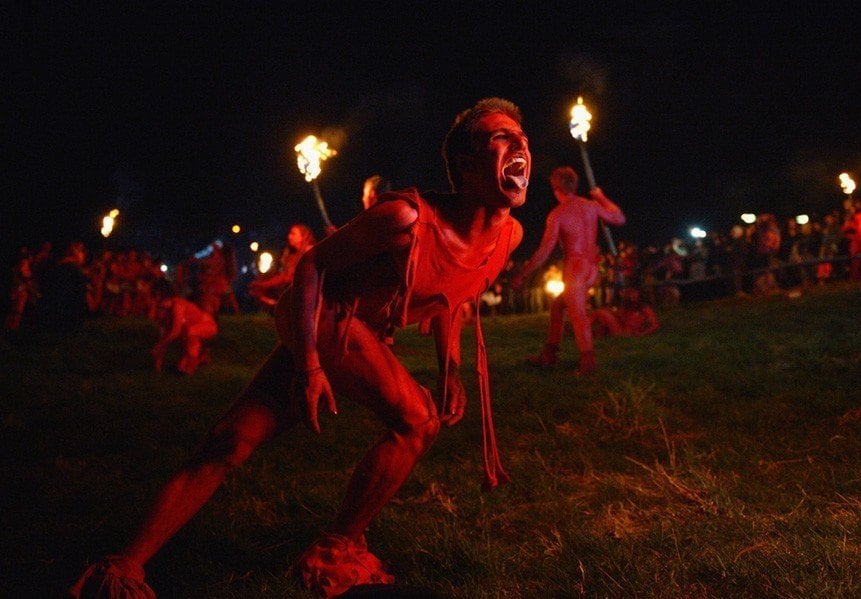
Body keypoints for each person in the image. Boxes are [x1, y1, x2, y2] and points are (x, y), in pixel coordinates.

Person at [69, 96, 529, 598]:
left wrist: (450, 370)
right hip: (323, 314)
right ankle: (337, 551)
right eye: (500, 138)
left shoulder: (508, 236)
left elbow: (451, 297)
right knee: (418, 422)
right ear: (465, 164)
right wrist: (310, 364)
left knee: (232, 439)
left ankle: (123, 567)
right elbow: (311, 266)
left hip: (353, 330)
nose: (520, 143)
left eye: (521, 137)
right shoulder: (404, 218)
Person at [510, 166, 625, 376]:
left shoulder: (558, 214)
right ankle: (549, 354)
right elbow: (618, 218)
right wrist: (601, 197)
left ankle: (588, 361)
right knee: (558, 306)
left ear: (556, 188)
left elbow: (545, 251)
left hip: (576, 267)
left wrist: (523, 274)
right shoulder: (591, 205)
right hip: (592, 268)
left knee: (578, 314)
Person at [150, 279, 218, 375]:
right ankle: (198, 358)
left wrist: (162, 344)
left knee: (190, 332)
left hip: (206, 325)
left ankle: (191, 364)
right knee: (187, 335)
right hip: (190, 329)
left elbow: (176, 330)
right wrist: (158, 360)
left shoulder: (177, 305)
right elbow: (164, 333)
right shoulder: (162, 309)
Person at [247, 223, 315, 309]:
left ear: (303, 236)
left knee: (264, 286)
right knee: (257, 287)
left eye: (293, 234)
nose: (289, 236)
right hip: (292, 286)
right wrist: (263, 283)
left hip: (307, 289)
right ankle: (277, 307)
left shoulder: (309, 251)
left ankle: (279, 306)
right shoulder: (290, 253)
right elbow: (285, 275)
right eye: (289, 234)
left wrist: (265, 284)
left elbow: (292, 277)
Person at [590, 286, 660, 338]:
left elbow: (655, 325)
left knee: (602, 312)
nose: (631, 295)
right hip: (621, 329)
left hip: (625, 333)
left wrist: (643, 333)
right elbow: (620, 318)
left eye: (633, 292)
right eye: (629, 293)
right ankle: (589, 330)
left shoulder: (644, 308)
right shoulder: (627, 307)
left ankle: (585, 328)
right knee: (603, 313)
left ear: (638, 294)